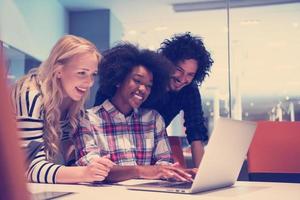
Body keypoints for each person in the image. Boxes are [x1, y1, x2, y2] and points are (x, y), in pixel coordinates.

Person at [74, 43, 193, 183]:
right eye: (137, 80)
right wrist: (141, 170)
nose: (143, 89)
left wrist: (181, 174)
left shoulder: (154, 119)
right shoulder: (87, 119)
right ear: (118, 79)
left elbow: (164, 166)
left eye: (149, 86)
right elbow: (92, 170)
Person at [95, 33, 214, 168]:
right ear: (167, 64)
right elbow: (99, 121)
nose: (182, 78)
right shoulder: (148, 79)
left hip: (151, 153)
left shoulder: (188, 92)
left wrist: (201, 173)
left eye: (190, 74)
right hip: (116, 148)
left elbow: (196, 132)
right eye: (178, 70)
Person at [11, 35, 114, 184]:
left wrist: (92, 164)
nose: (89, 83)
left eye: (93, 74)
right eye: (82, 73)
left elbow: (67, 151)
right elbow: (27, 167)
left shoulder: (73, 100)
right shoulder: (30, 95)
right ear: (58, 70)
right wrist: (84, 173)